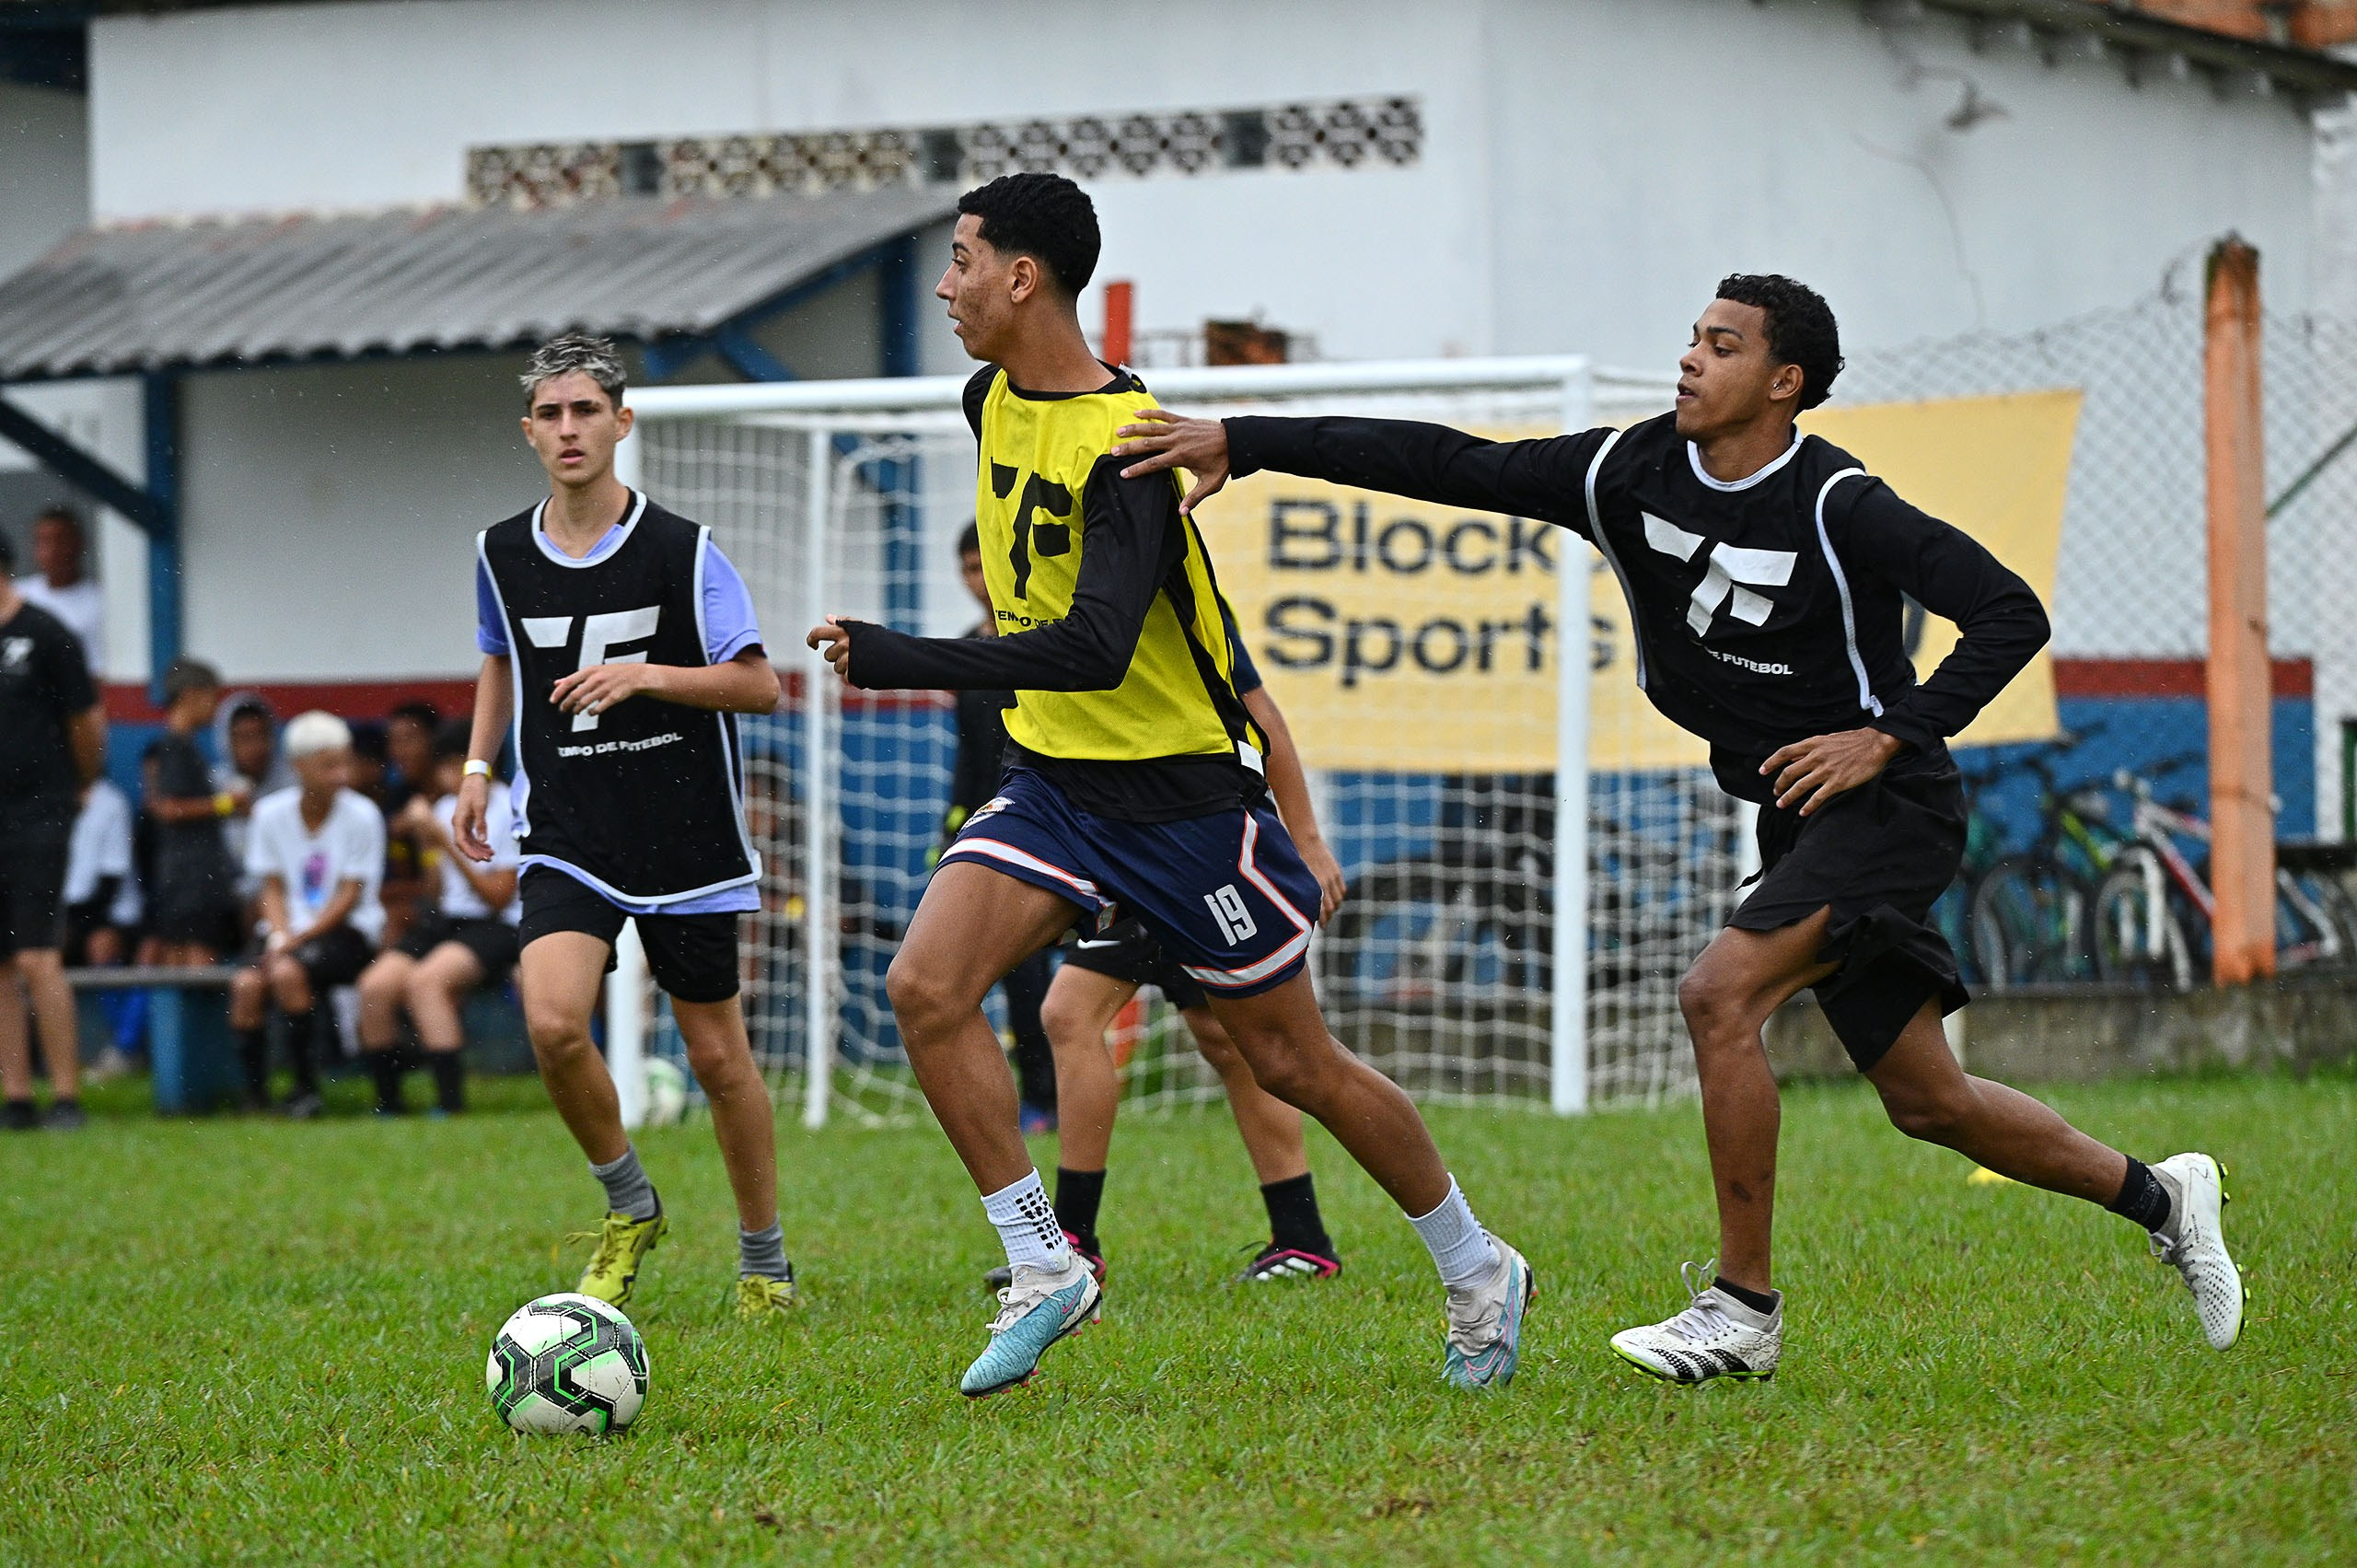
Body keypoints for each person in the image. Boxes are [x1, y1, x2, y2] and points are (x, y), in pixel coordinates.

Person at [1112, 272, 2244, 1380]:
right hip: (1800, 819)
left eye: (1724, 343)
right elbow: (1448, 461)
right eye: (1692, 335)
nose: (1691, 356)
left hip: (1887, 808)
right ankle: (2163, 1194)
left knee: (1715, 992)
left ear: (1784, 382)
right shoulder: (1625, 467)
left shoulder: (1839, 501)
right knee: (1928, 1100)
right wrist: (1246, 438)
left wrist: (1888, 734)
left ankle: (1742, 1307)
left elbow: (2010, 610)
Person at [808, 173, 1532, 1397]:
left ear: (1024, 276)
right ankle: (1047, 1261)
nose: (947, 284)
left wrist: (903, 655)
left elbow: (1096, 646)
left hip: (1186, 801)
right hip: (1057, 782)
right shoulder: (987, 398)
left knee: (1296, 1062)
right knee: (926, 986)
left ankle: (1476, 1263)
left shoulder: (1131, 446)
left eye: (964, 259)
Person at [456, 332, 795, 1320]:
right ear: (530, 431)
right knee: (554, 1020)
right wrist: (479, 768)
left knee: (720, 1060)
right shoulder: (500, 550)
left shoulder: (682, 548)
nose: (569, 429)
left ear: (621, 422)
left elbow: (759, 685)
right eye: (551, 414)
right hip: (568, 827)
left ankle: (764, 1261)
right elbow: (496, 657)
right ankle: (629, 1203)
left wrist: (646, 673)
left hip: (685, 832)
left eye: (586, 411)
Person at [996, 610, 1353, 1290]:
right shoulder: (1058, 610)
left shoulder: (1175, 600)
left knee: (1088, 1016)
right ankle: (1301, 1235)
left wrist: (1307, 838)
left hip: (1186, 845)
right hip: (1130, 845)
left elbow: (1261, 715)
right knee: (1216, 1036)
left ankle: (1073, 1238)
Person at [945, 520, 1058, 1132]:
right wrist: (955, 823)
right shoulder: (967, 649)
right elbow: (967, 755)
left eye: (981, 564)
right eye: (965, 568)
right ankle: (1039, 1095)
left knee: (1070, 983)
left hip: (1055, 820)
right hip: (998, 832)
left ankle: (1068, 1086)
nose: (975, 580)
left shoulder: (1044, 640)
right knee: (1018, 970)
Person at [356, 718, 519, 1116]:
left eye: (449, 765)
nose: (442, 776)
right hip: (450, 921)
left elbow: (497, 897)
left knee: (426, 983)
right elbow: (436, 893)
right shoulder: (445, 808)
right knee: (375, 985)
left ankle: (450, 1104)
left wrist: (446, 841)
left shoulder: (509, 809)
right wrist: (427, 846)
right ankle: (389, 1104)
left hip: (498, 926)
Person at [229, 711, 387, 1119]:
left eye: (344, 763)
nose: (341, 775)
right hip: (288, 934)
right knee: (247, 985)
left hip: (349, 931)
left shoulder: (363, 815)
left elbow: (350, 895)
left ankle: (305, 1090)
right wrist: (281, 937)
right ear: (298, 767)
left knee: (286, 973)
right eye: (328, 765)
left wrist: (294, 943)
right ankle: (256, 1097)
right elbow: (272, 887)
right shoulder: (269, 814)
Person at [0, 529, 103, 1131]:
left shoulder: (46, 633)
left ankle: (66, 1094)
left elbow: (86, 721)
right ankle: (16, 1096)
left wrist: (79, 782)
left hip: (38, 812)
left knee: (39, 955)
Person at [138, 660, 245, 967]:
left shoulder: (177, 746)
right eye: (212, 697)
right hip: (192, 880)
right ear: (190, 696)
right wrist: (228, 804)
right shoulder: (175, 747)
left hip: (182, 878)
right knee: (197, 960)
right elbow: (169, 808)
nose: (215, 708)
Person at [16, 507, 103, 677]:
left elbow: (99, 670)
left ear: (79, 544)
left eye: (61, 540)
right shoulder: (17, 595)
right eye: (44, 541)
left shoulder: (100, 599)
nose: (52, 550)